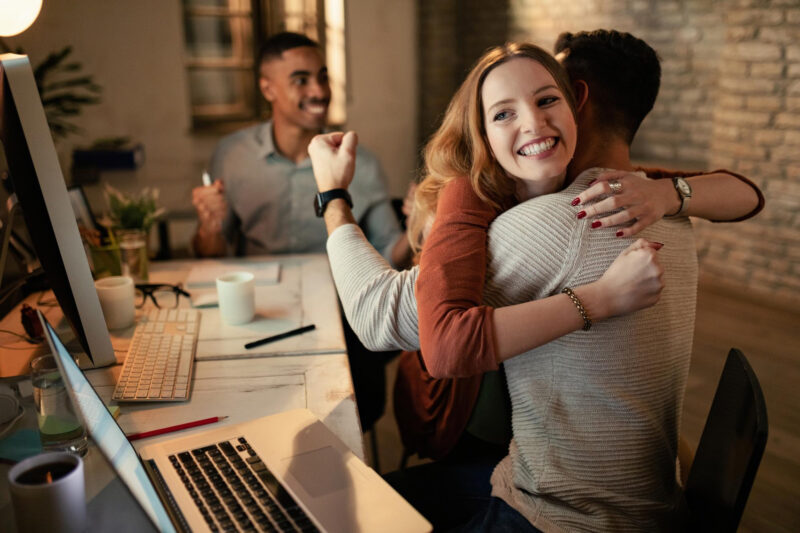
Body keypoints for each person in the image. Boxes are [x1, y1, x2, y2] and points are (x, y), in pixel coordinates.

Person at [309, 33, 762, 531]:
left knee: (335, 508)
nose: (532, 118)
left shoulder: (559, 223)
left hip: (560, 514)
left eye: (547, 94)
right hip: (643, 501)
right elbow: (744, 193)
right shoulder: (664, 201)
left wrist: (333, 196)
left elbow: (376, 315)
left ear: (575, 100)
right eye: (503, 111)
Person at [191, 31, 411, 268]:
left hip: (333, 299)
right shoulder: (231, 155)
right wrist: (209, 228)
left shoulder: (361, 163)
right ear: (268, 89)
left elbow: (389, 256)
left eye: (323, 78)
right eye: (301, 80)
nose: (319, 92)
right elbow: (211, 256)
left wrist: (419, 230)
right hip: (259, 295)